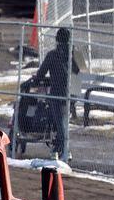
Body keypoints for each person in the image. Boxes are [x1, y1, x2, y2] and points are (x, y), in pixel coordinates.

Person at [29, 27, 80, 160]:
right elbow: (80, 71)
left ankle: (63, 150)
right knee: (61, 122)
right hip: (71, 93)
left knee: (61, 123)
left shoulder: (53, 55)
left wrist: (36, 79)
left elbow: (41, 73)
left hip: (57, 94)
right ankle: (59, 147)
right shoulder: (73, 54)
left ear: (57, 40)